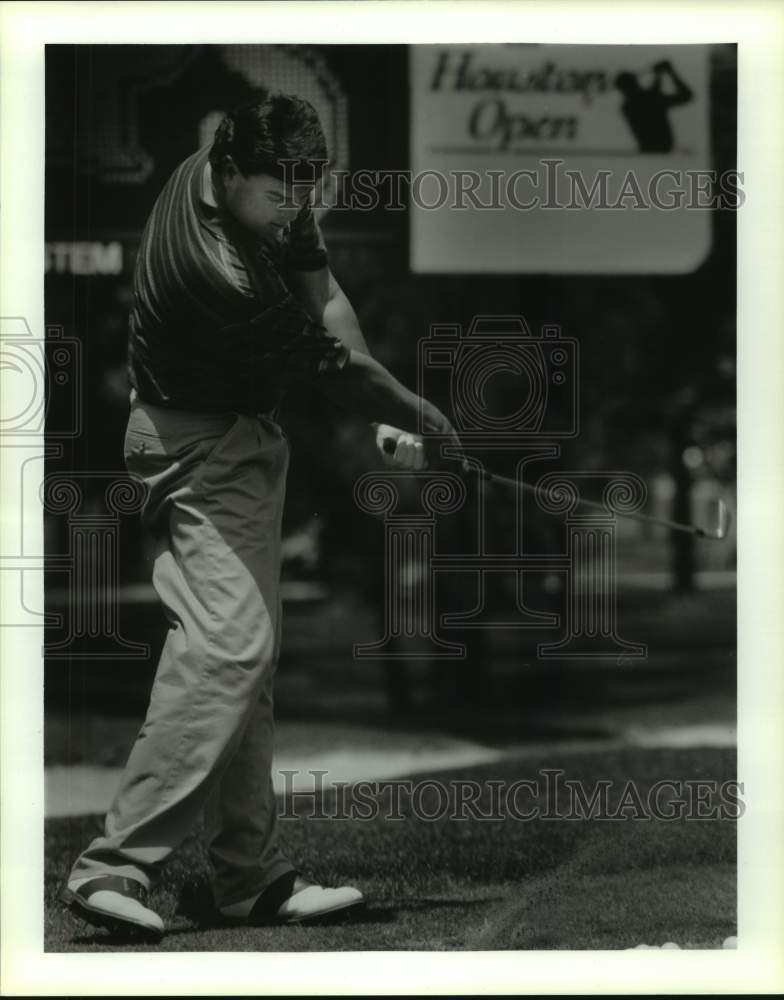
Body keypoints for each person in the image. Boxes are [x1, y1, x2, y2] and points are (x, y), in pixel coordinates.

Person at [61, 93, 460, 943]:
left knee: (250, 659)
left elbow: (326, 297)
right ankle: (115, 865)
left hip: (230, 434)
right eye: (279, 193)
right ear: (230, 170)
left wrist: (382, 390)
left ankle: (250, 878)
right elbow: (338, 370)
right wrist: (417, 411)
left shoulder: (242, 176)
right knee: (229, 646)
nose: (294, 208)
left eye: (303, 191)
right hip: (194, 444)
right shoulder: (217, 270)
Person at [614, 59, 694, 153]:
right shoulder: (634, 104)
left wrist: (659, 74)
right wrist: (668, 72)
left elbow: (652, 95)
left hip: (651, 152)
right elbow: (686, 95)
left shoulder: (628, 106)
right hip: (658, 151)